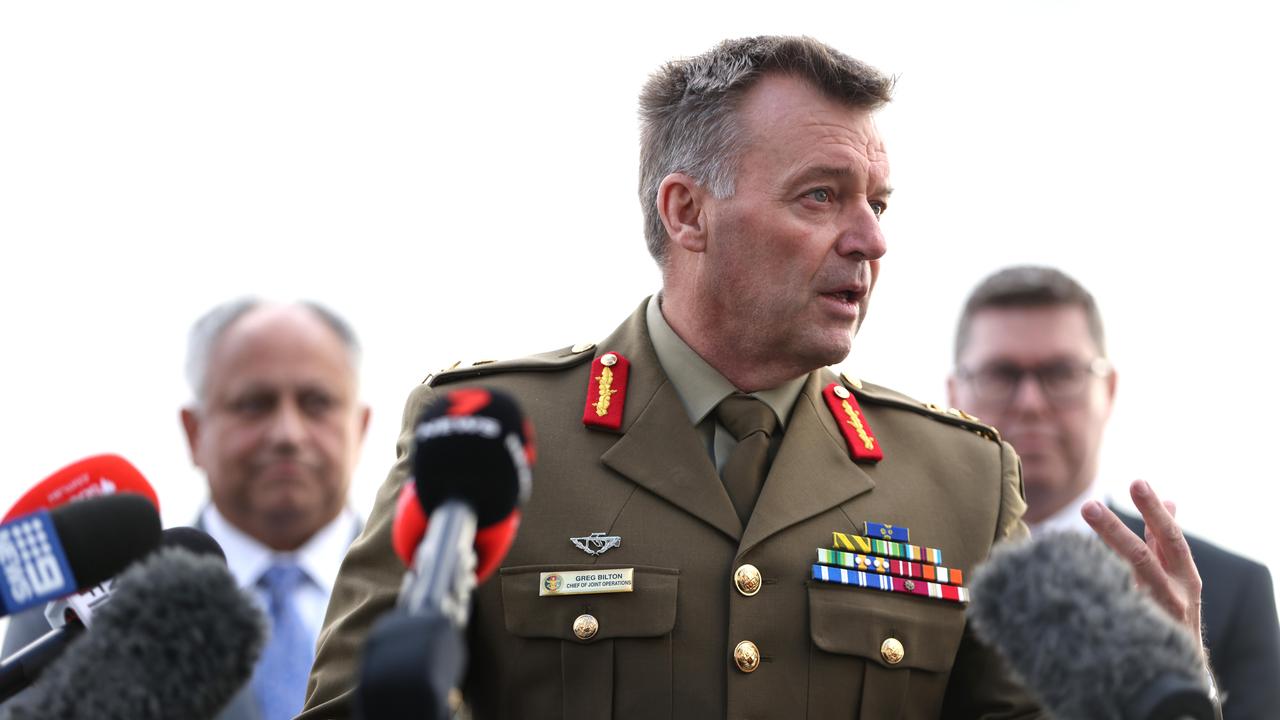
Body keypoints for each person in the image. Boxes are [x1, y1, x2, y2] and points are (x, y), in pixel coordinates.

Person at [301, 37, 1202, 719]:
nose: (871, 240)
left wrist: (1161, 686)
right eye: (822, 196)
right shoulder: (492, 436)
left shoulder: (959, 476)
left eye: (877, 203)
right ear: (687, 212)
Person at [948, 265, 1280, 718]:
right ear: (953, 393)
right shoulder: (915, 563)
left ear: (1109, 390)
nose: (1030, 402)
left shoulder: (1231, 591)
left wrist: (1183, 681)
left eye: (1060, 372)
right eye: (1001, 374)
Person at [181, 298, 370, 720]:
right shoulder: (87, 617)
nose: (288, 433)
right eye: (254, 403)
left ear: (361, 427)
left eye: (316, 402)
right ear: (194, 433)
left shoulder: (437, 596)